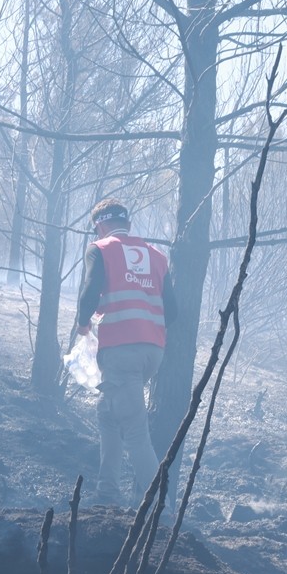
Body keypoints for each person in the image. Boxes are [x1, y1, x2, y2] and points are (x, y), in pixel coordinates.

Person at [76, 199, 177, 506]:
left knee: (135, 432)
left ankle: (161, 512)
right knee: (108, 414)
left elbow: (91, 291)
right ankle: (107, 495)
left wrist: (83, 326)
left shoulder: (101, 248)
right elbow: (172, 310)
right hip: (151, 352)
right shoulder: (157, 256)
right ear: (128, 224)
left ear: (100, 225)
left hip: (121, 350)